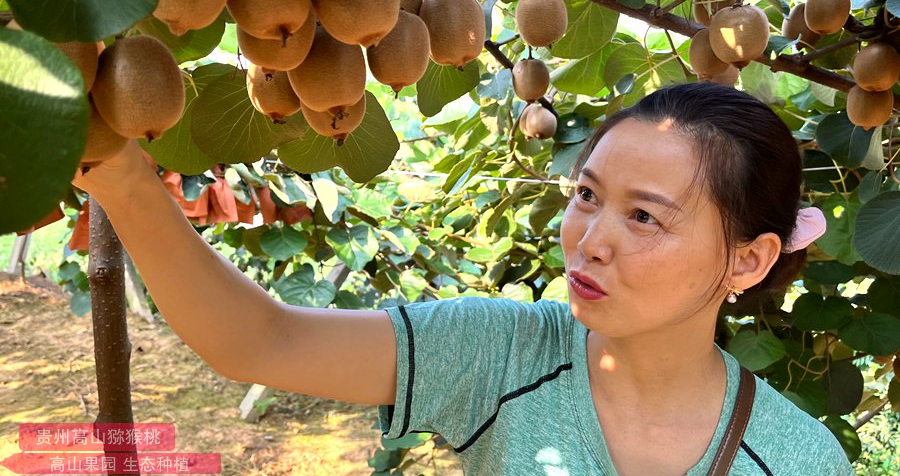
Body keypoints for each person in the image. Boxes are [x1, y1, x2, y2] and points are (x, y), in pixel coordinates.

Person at [73, 82, 854, 475]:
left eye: (644, 217)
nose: (588, 240)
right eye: (586, 196)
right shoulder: (503, 355)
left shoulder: (799, 459)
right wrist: (128, 185)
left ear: (747, 260)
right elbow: (263, 340)